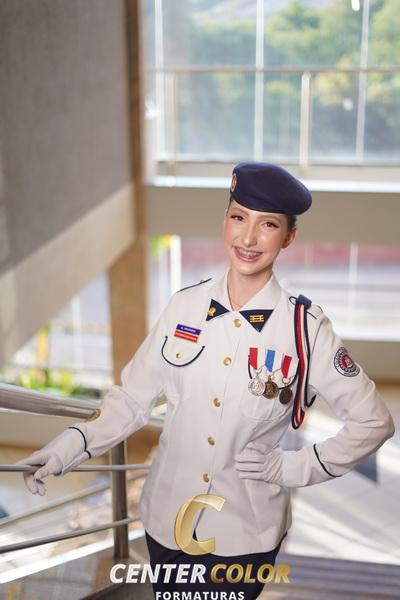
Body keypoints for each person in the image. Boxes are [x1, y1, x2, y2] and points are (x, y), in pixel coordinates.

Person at [17, 163, 395, 598]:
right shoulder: (184, 306)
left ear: (289, 237)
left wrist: (292, 467)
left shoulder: (305, 329)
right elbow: (131, 400)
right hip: (166, 520)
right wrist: (65, 449)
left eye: (267, 225)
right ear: (225, 220)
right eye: (238, 217)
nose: (247, 239)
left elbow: (374, 422)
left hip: (243, 536)